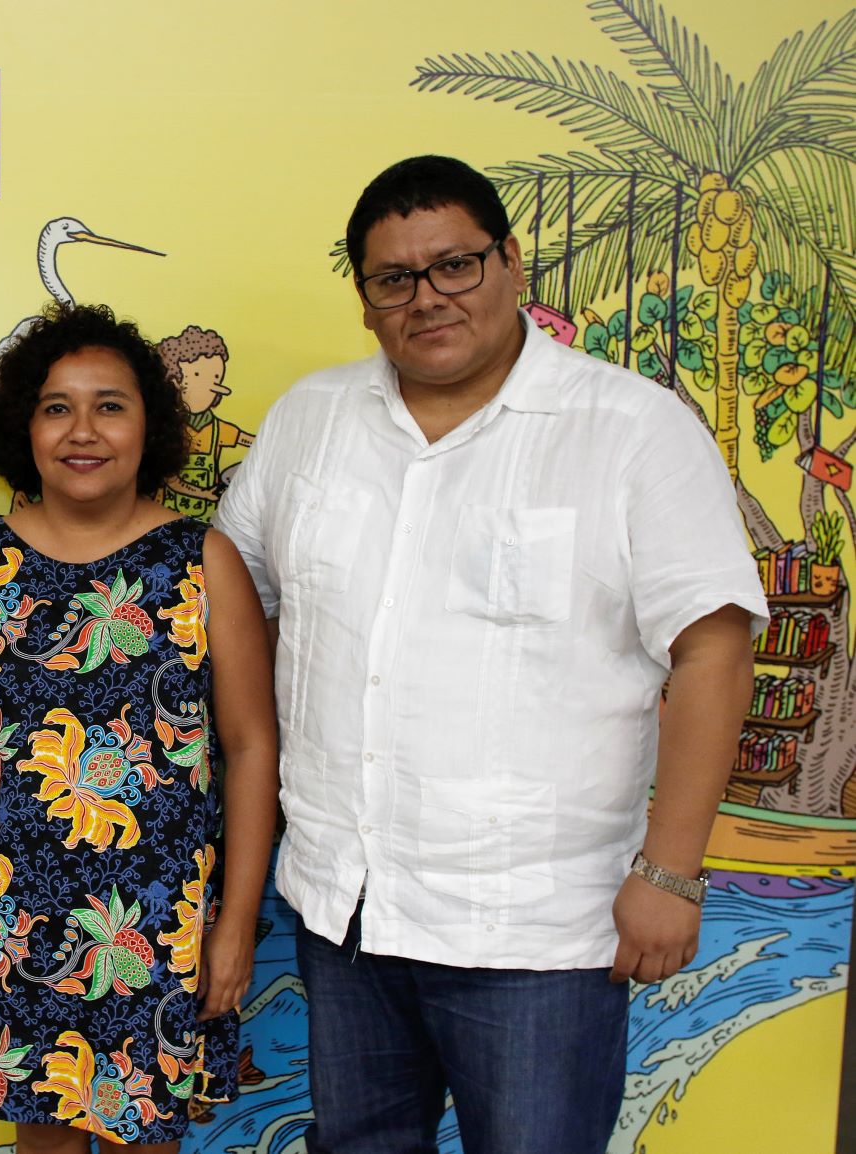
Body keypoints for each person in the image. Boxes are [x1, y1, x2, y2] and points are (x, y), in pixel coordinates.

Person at [214, 154, 767, 1154]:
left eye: (455, 265)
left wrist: (673, 869)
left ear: (511, 261)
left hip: (536, 927)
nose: (427, 297)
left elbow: (713, 650)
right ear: (364, 299)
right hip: (347, 907)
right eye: (394, 279)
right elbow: (229, 600)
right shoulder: (309, 420)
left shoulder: (631, 428)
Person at [0, 302, 279, 1150]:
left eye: (110, 404)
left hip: (162, 924)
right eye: (56, 406)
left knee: (146, 1139)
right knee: (42, 1138)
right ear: (22, 428)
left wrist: (234, 923)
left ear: (150, 425)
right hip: (17, 925)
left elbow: (253, 747)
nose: (84, 430)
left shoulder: (202, 562)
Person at [155, 325, 254, 522]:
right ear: (174, 381)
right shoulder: (164, 427)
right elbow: (172, 481)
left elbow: (252, 441)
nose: (212, 386)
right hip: (163, 525)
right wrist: (204, 493)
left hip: (206, 523)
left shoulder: (219, 429)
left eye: (216, 377)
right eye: (199, 376)